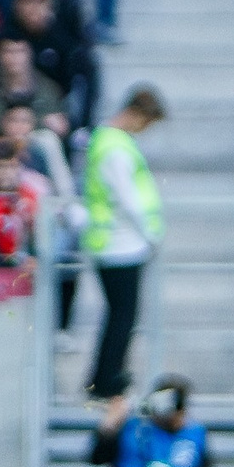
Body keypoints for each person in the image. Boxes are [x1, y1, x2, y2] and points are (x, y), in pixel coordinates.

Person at [81, 84, 164, 409]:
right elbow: (128, 197)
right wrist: (151, 233)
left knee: (118, 315)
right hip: (121, 241)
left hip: (115, 240)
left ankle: (105, 378)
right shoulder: (115, 147)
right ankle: (106, 382)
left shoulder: (107, 140)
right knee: (122, 317)